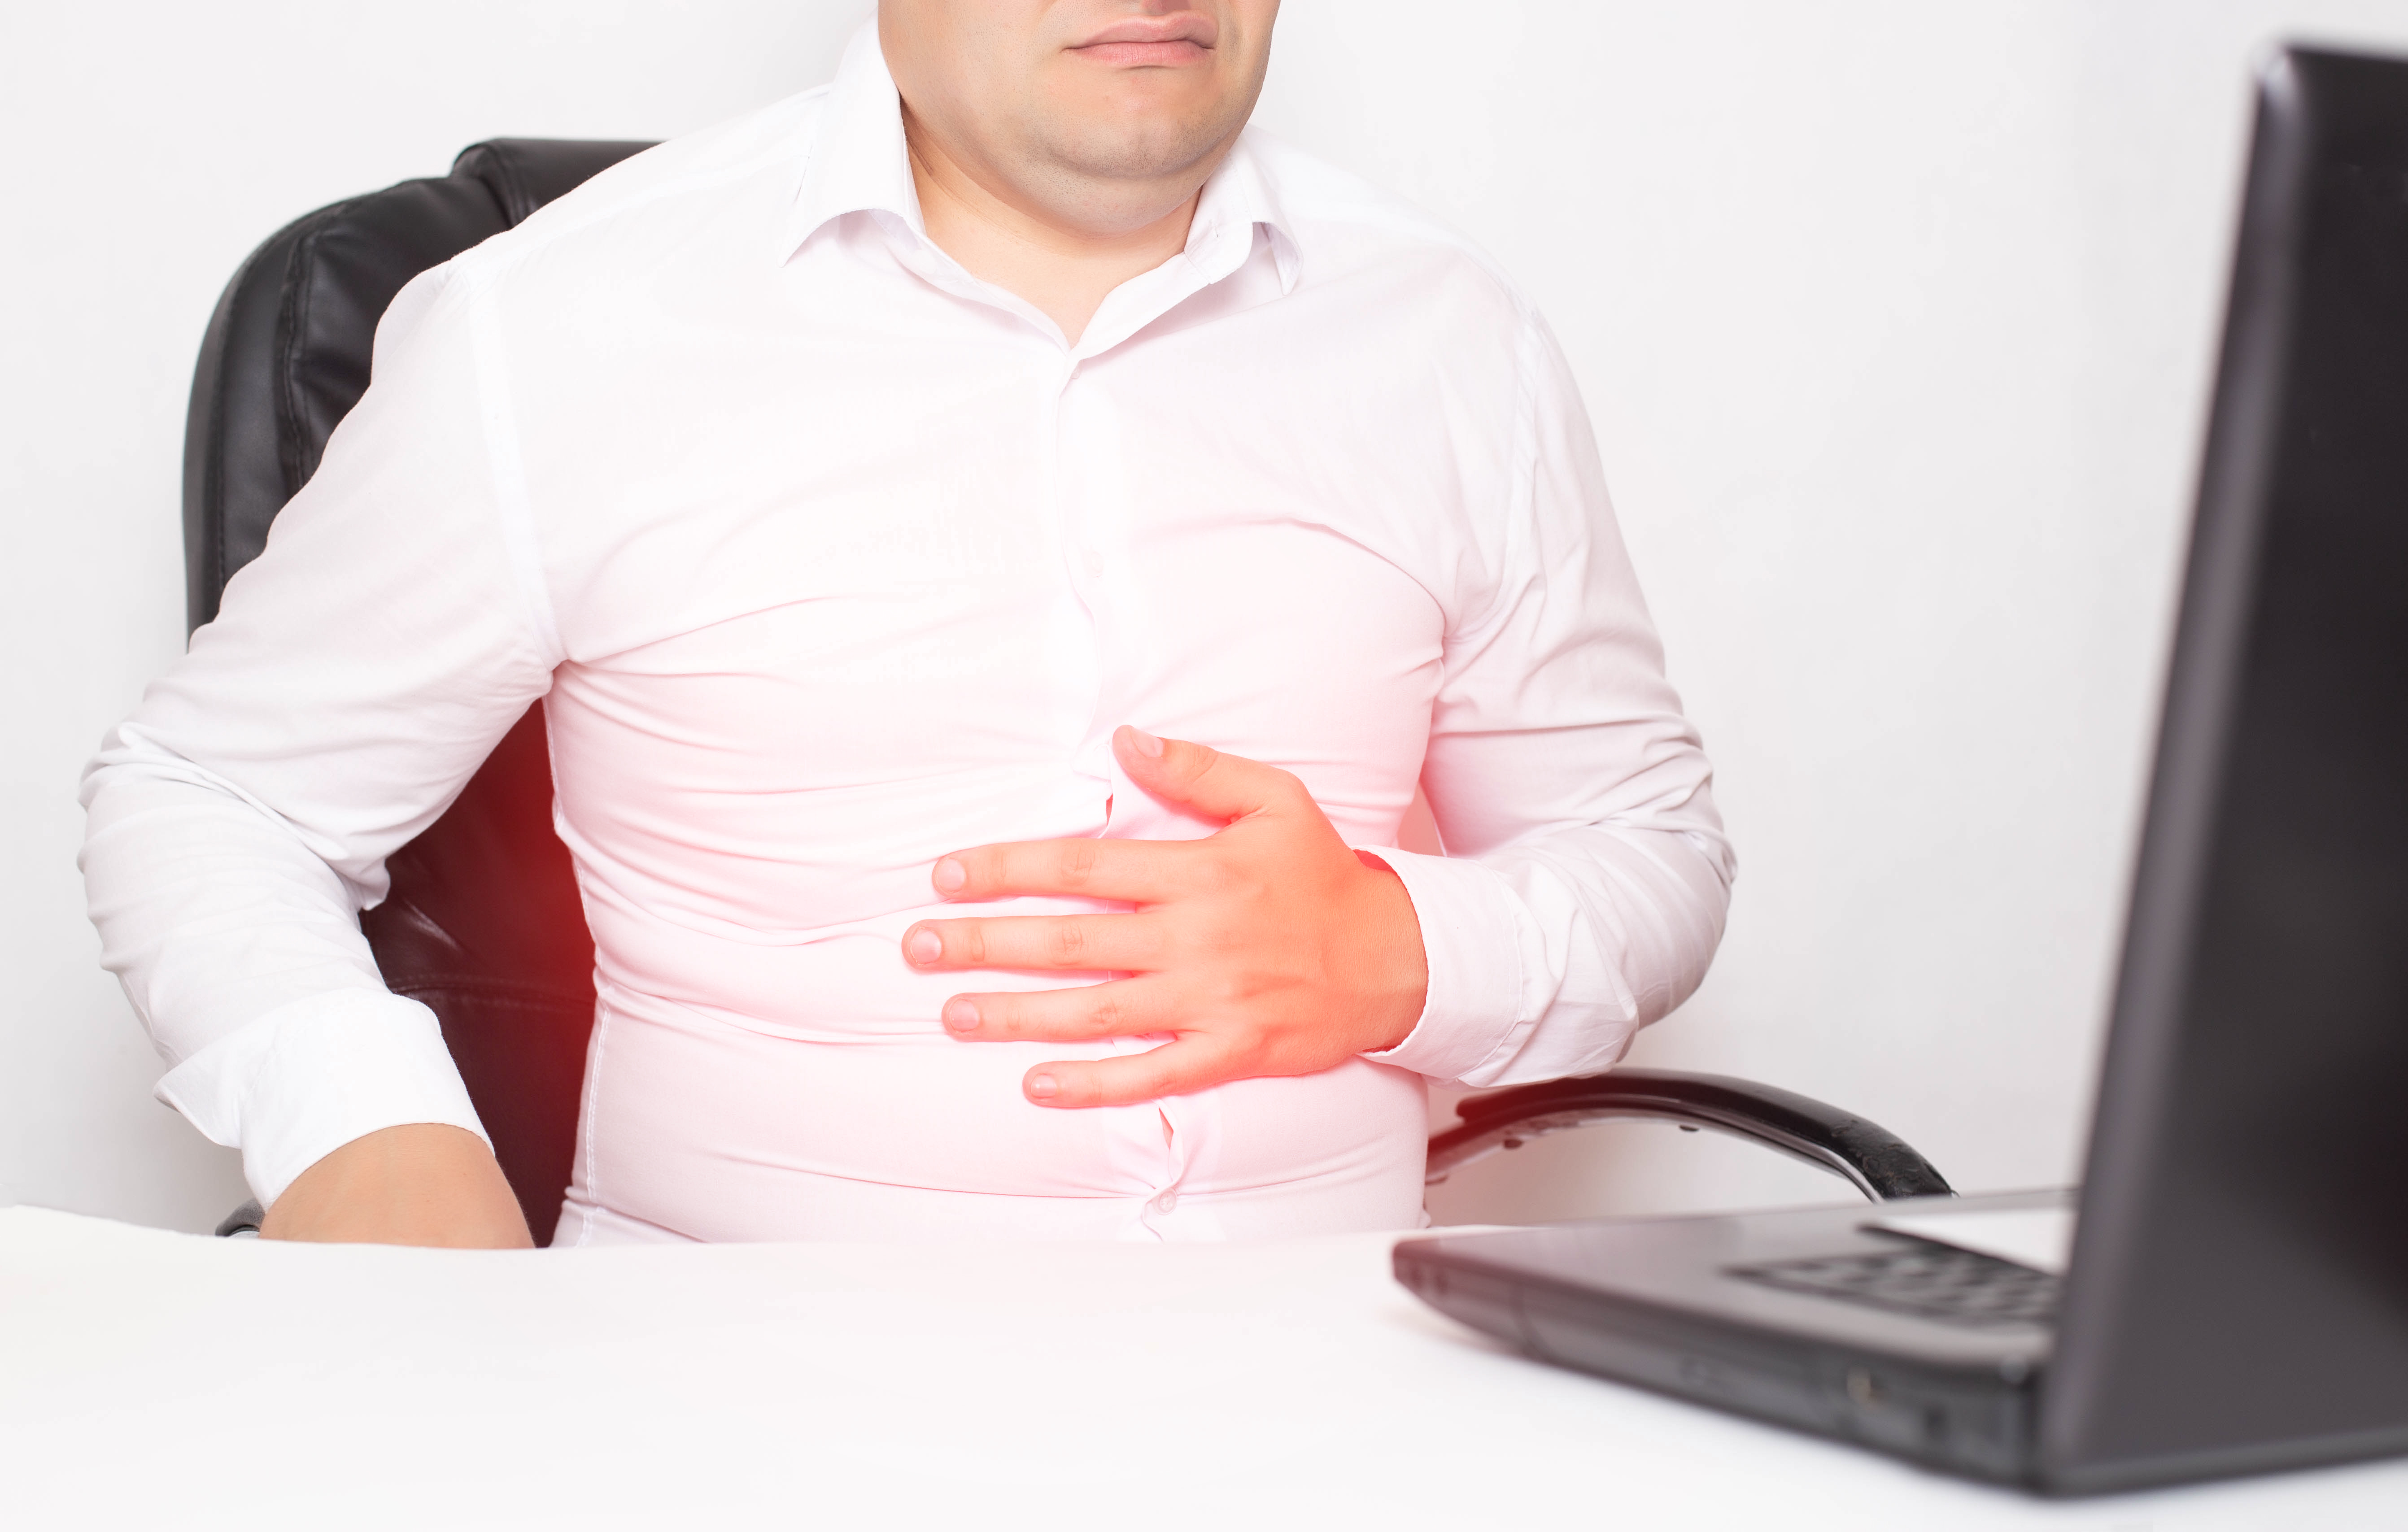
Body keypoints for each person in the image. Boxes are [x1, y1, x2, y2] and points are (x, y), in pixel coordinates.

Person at [79, 0, 1732, 1248]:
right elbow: (211, 795)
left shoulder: (1451, 337)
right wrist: (362, 1130)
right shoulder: (560, 325)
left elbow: (1644, 843)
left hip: (1338, 1395)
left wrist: (1409, 950)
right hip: (732, 1410)